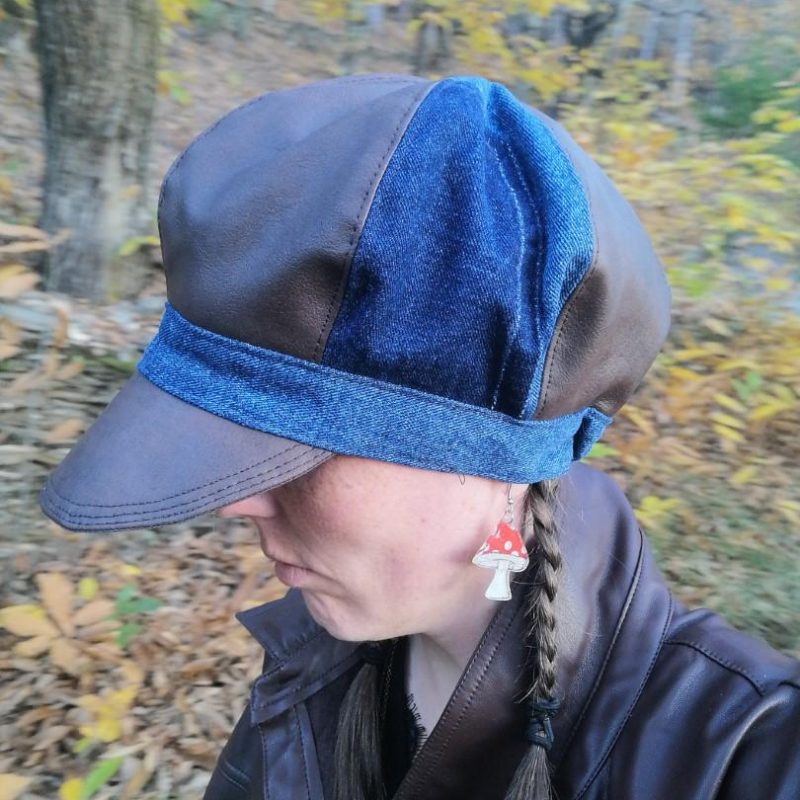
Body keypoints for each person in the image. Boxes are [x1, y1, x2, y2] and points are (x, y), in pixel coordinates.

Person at [39, 73, 799, 800]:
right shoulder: (315, 656)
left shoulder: (740, 751)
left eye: (298, 446)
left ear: (502, 461)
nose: (236, 501)